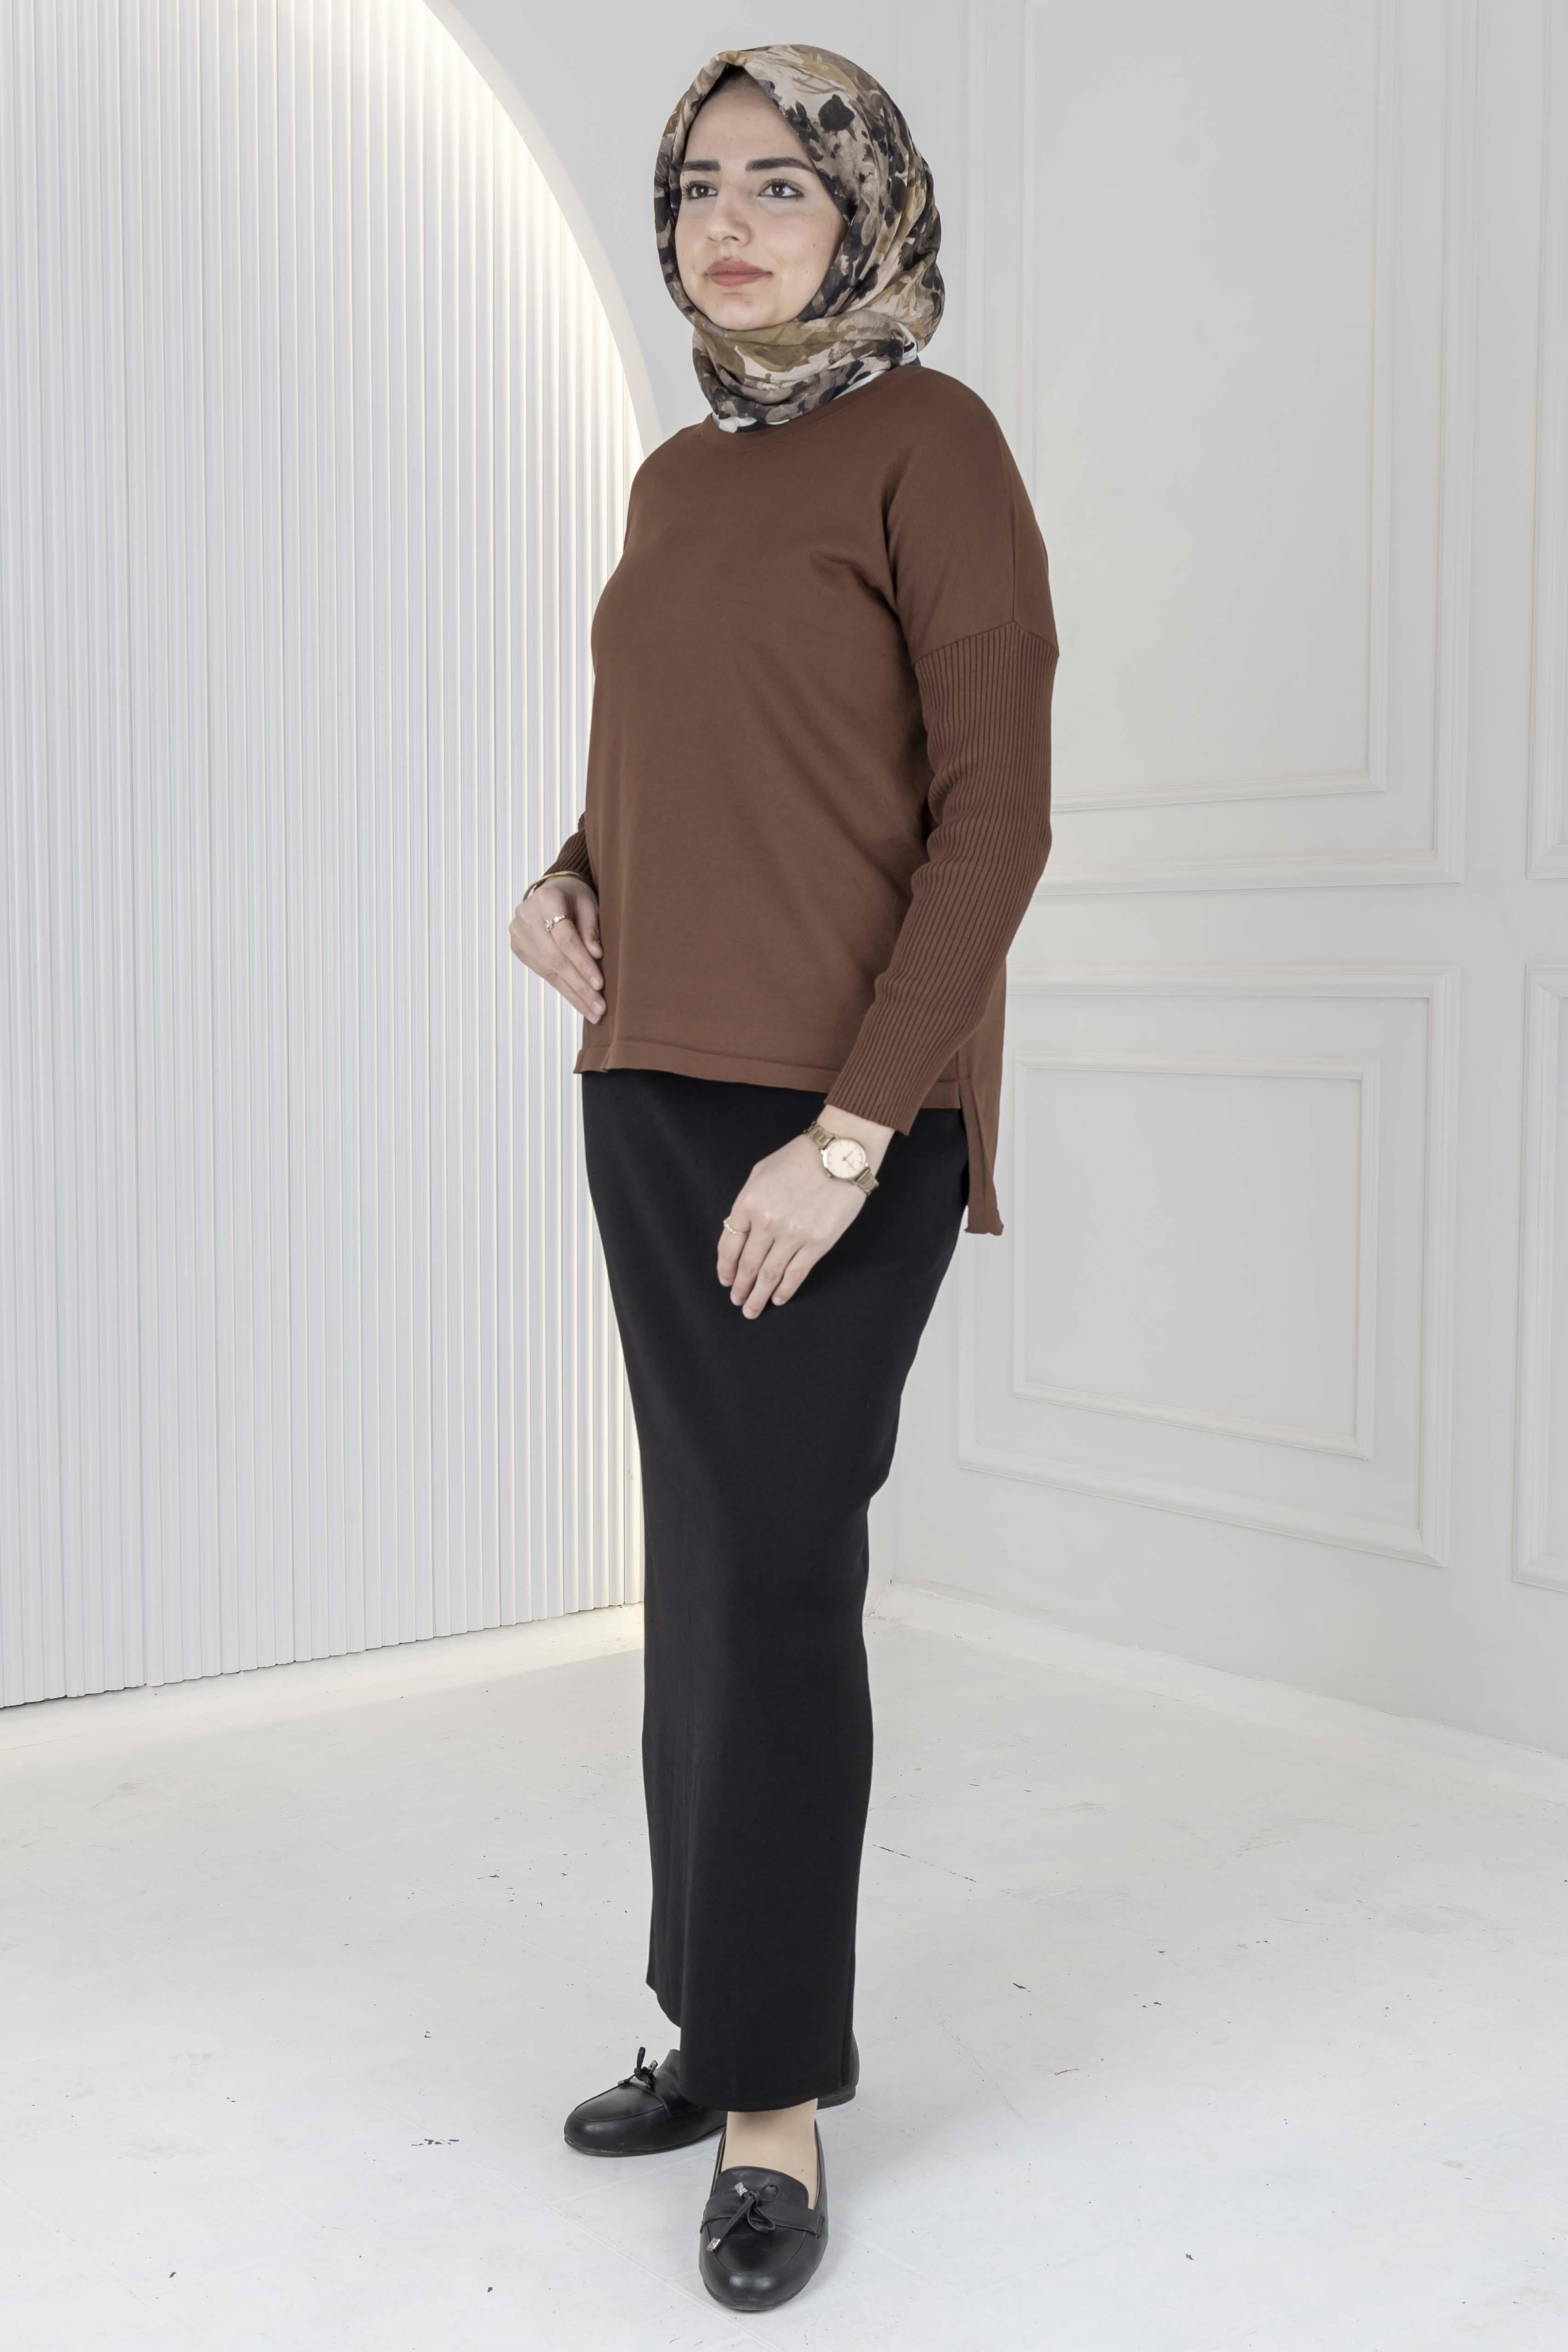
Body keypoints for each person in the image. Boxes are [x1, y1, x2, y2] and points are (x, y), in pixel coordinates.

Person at [508, 42, 1058, 2315]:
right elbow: (698, 750)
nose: (725, 226)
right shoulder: (675, 475)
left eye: (777, 184)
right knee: (705, 1572)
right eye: (693, 189)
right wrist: (562, 874)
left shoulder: (935, 443)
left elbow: (992, 820)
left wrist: (853, 1132)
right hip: (649, 1082)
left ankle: (772, 2100)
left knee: (777, 1577)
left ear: (866, 208)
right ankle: (704, 2010)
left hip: (839, 1111)